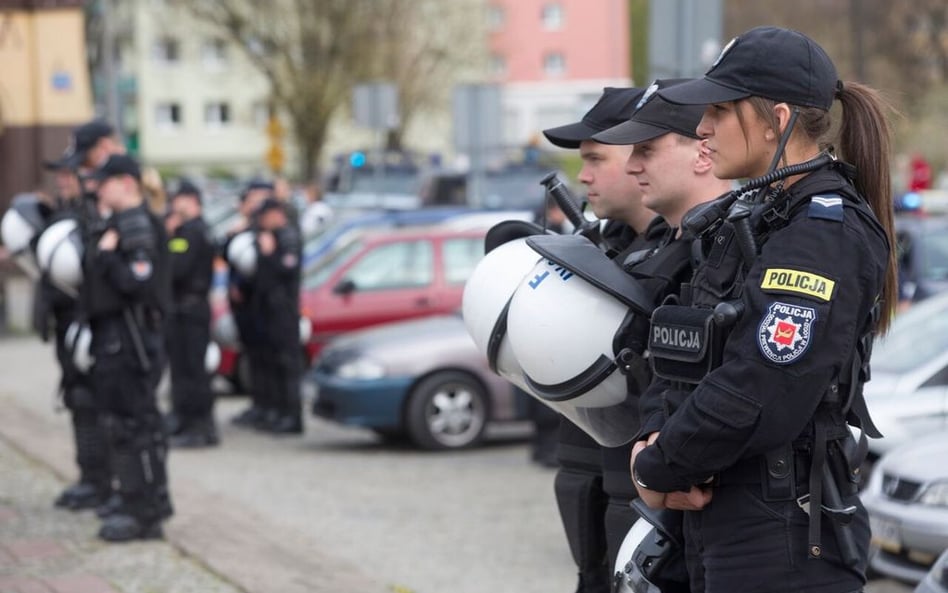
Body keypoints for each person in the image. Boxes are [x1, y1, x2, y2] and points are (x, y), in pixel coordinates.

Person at [630, 26, 896, 593]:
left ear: (775, 119)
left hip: (780, 537)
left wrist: (657, 469)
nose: (701, 128)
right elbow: (679, 342)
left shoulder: (823, 233)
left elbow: (761, 387)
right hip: (723, 518)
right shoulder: (755, 215)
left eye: (720, 112)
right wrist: (650, 439)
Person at [539, 86, 655, 593]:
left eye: (594, 159)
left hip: (645, 488)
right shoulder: (607, 244)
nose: (581, 176)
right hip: (593, 476)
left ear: (641, 156)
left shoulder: (694, 256)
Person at [85, 154, 174, 541]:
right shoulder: (121, 223)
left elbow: (137, 284)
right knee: (123, 427)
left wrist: (106, 257)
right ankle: (134, 498)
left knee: (137, 427)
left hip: (134, 343)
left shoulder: (136, 225)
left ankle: (146, 512)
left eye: (104, 182)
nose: (97, 189)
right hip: (119, 342)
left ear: (126, 182)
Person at [34, 156, 111, 511]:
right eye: (59, 175)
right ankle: (89, 477)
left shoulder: (91, 217)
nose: (61, 181)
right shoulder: (67, 212)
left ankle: (99, 481)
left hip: (83, 322)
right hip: (65, 321)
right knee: (77, 401)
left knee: (88, 401)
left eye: (67, 175)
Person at [165, 179, 217, 447]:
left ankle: (200, 427)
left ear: (192, 201)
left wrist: (170, 237)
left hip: (192, 309)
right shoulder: (189, 231)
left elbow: (176, 269)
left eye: (178, 199)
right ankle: (183, 419)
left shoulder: (193, 232)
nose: (174, 205)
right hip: (181, 310)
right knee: (180, 370)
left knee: (194, 371)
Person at [250, 198, 304, 434]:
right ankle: (279, 411)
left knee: (288, 365)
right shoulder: (269, 236)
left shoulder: (288, 237)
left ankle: (293, 417)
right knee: (273, 363)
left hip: (284, 311)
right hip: (269, 310)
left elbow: (286, 269)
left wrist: (269, 253)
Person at [227, 179, 274, 427]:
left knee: (267, 358)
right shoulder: (245, 228)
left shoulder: (271, 228)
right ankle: (258, 404)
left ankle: (269, 406)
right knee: (253, 356)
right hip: (245, 304)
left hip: (263, 304)